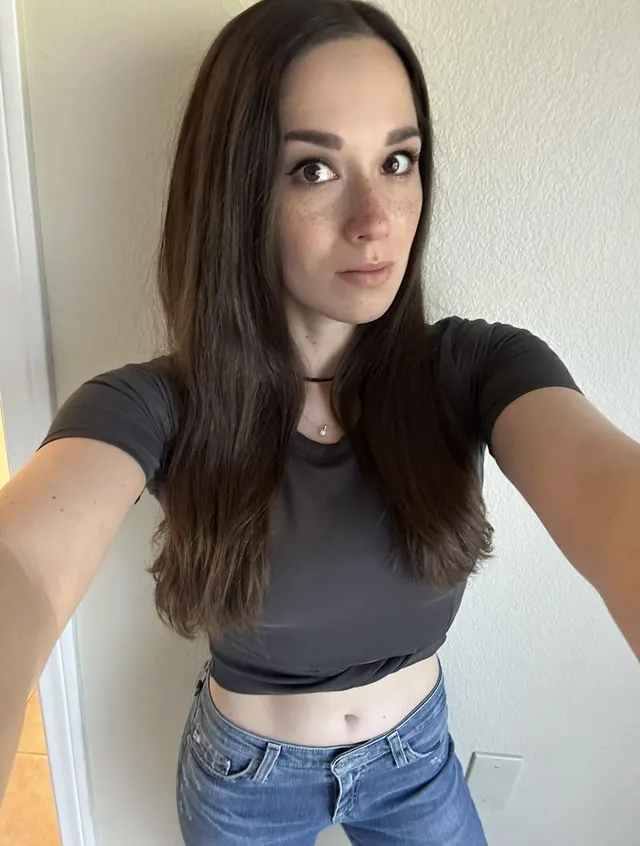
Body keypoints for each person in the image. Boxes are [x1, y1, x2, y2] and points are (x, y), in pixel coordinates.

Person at [1, 0, 638, 843]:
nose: (378, 219)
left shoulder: (478, 368)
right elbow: (24, 567)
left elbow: (607, 489)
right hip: (246, 780)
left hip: (417, 760)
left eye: (398, 160)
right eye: (313, 169)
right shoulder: (152, 405)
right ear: (238, 194)